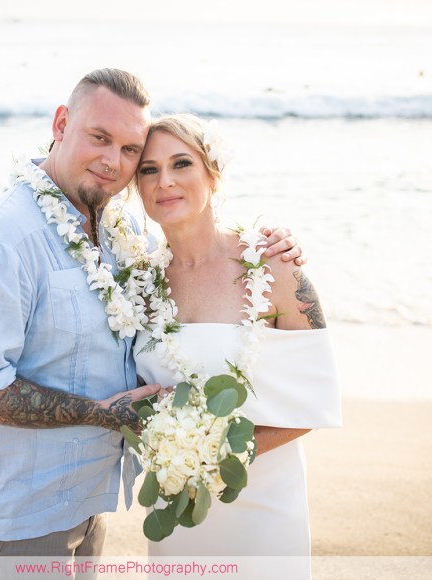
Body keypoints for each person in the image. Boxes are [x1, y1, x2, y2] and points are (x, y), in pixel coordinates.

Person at [0, 69, 304, 576]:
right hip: (23, 510)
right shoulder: (2, 239)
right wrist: (103, 413)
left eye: (130, 149)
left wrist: (269, 246)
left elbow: (196, 262)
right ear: (62, 123)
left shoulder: (122, 231)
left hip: (91, 501)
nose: (113, 162)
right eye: (99, 138)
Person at [132, 114, 342, 578]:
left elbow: (315, 402)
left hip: (262, 510)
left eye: (181, 163)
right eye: (148, 169)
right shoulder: (138, 284)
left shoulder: (275, 268)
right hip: (175, 505)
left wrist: (218, 461)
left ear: (212, 173)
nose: (164, 181)